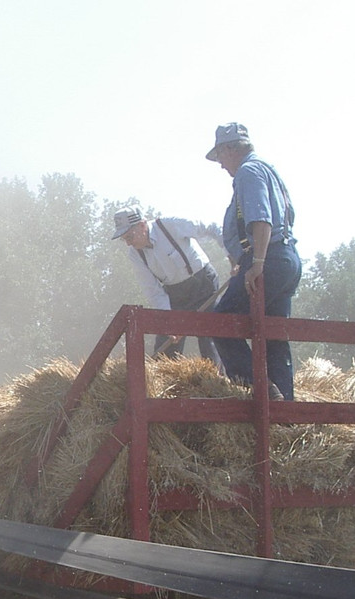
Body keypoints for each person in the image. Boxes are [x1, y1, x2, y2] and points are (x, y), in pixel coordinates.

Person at [206, 123, 302, 400]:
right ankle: (284, 407)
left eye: (220, 157)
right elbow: (288, 216)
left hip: (269, 258)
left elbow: (261, 218)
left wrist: (257, 261)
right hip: (286, 258)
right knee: (274, 335)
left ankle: (259, 389)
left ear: (229, 149)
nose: (221, 165)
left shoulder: (248, 172)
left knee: (220, 323)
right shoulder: (267, 169)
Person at [111, 205, 222, 366]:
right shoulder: (135, 254)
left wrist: (232, 256)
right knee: (166, 347)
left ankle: (217, 386)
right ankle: (164, 390)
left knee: (209, 337)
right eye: (125, 239)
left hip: (203, 284)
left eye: (130, 236)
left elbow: (211, 228)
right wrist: (168, 322)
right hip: (175, 295)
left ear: (142, 225)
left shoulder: (170, 225)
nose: (128, 243)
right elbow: (154, 291)